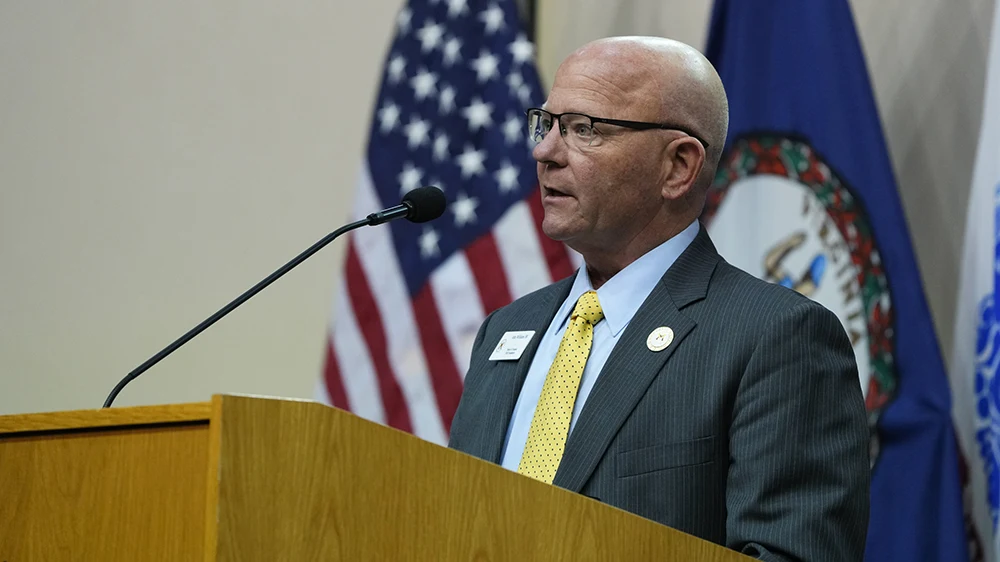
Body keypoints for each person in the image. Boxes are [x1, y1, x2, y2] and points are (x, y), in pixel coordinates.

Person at [447, 35, 870, 561]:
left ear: (678, 167)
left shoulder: (775, 338)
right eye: (546, 123)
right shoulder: (506, 330)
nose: (545, 152)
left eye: (584, 129)